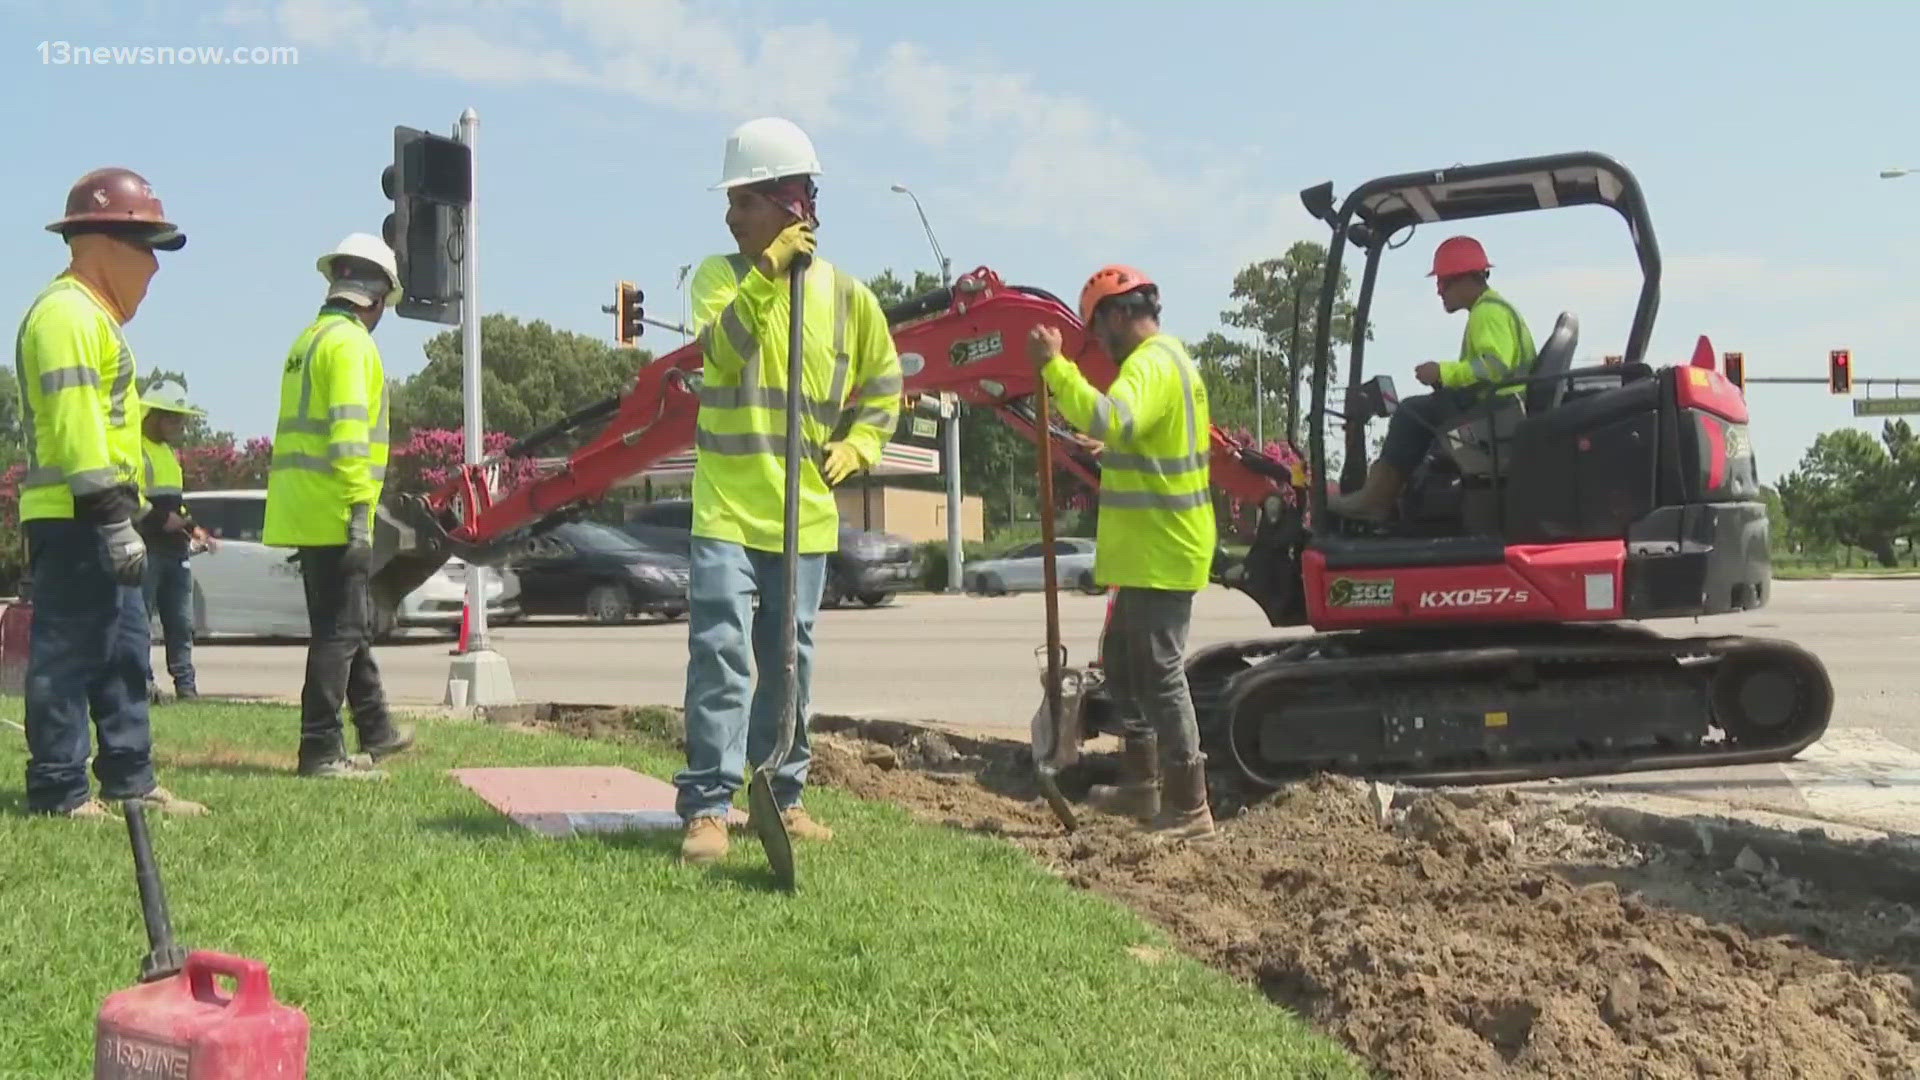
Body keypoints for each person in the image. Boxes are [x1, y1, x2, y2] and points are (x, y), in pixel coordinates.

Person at [674, 117, 903, 865]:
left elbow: (885, 385)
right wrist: (768, 273)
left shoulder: (848, 299)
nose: (729, 215)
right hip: (728, 509)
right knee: (721, 655)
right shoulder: (718, 279)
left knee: (790, 662)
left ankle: (783, 794)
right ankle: (708, 807)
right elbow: (723, 351)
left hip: (802, 516)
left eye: (743, 200)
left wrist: (862, 444)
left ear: (788, 204)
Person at [16, 167, 207, 819]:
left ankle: (130, 780)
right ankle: (60, 789)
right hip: (75, 520)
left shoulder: (91, 316)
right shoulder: (67, 314)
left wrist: (130, 514)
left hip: (101, 515)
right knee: (69, 654)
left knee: (125, 654)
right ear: (100, 243)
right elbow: (75, 428)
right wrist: (109, 519)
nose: (154, 266)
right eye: (147, 246)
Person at [1026, 265, 1217, 841]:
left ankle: (1189, 807)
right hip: (1150, 549)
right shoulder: (1168, 364)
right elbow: (1137, 440)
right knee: (1126, 667)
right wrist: (1106, 447)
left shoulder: (1153, 364)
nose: (1098, 345)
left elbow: (1111, 415)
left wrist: (1055, 367)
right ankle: (1143, 783)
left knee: (1158, 673)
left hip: (1163, 547)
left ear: (1116, 315)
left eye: (1096, 330)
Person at [262, 233, 414, 780]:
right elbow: (349, 435)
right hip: (335, 510)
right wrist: (358, 512)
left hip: (305, 510)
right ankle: (321, 750)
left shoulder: (308, 340)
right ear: (373, 298)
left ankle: (377, 729)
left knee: (345, 625)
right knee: (340, 632)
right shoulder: (351, 345)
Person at [1328, 236, 1537, 521]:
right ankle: (1396, 496)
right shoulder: (1495, 309)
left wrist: (1443, 372)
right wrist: (1445, 381)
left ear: (1466, 278)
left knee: (1411, 411)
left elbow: (1494, 367)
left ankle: (1376, 499)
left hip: (1499, 412)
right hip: (1500, 407)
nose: (1439, 290)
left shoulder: (1487, 313)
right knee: (1430, 411)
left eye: (1444, 281)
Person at [138, 381, 217, 701]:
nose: (179, 425)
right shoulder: (136, 449)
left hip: (175, 551)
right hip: (147, 550)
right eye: (173, 418)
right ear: (153, 417)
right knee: (140, 622)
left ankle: (186, 687)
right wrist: (159, 520)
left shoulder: (169, 454)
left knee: (181, 624)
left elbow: (176, 504)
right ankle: (142, 685)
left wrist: (193, 527)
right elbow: (130, 499)